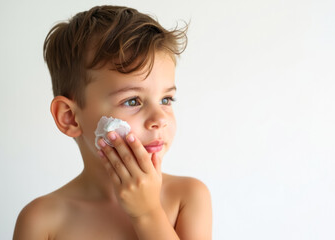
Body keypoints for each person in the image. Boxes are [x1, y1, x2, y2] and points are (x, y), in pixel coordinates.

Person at [13, 5, 212, 240]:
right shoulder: (41, 220)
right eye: (132, 101)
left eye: (166, 99)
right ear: (69, 117)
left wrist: (147, 213)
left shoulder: (187, 197)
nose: (160, 120)